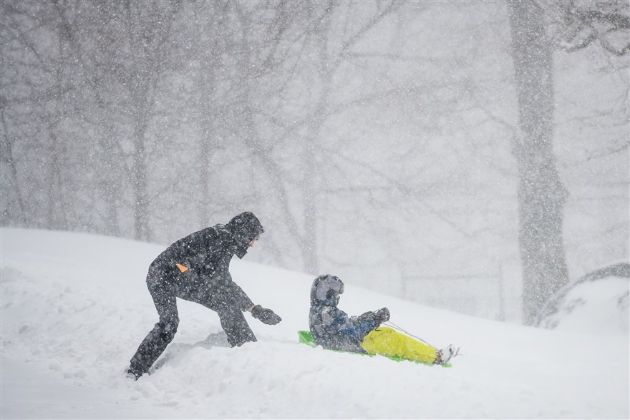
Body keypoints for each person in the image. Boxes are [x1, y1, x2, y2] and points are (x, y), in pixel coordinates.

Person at [127, 212, 281, 380]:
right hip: (162, 276)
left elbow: (224, 282)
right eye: (253, 238)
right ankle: (135, 370)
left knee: (226, 301)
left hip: (185, 280)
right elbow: (180, 261)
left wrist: (254, 309)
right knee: (169, 324)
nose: (253, 244)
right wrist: (189, 273)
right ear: (243, 233)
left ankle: (246, 348)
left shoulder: (226, 241)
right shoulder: (218, 240)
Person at [309, 274, 456, 365]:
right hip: (356, 344)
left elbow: (345, 326)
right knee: (394, 340)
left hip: (350, 342)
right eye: (333, 293)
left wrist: (366, 318)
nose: (335, 297)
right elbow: (351, 332)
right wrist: (374, 320)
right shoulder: (325, 313)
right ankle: (435, 357)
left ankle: (433, 354)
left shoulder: (320, 311)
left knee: (385, 333)